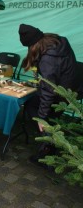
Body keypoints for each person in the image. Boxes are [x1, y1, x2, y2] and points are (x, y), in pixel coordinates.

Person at [18, 24, 81, 165]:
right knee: (45, 113)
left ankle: (47, 155)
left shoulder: (48, 59)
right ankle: (50, 146)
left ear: (33, 44)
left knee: (44, 117)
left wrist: (41, 118)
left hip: (61, 93)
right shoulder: (56, 41)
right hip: (70, 87)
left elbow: (48, 91)